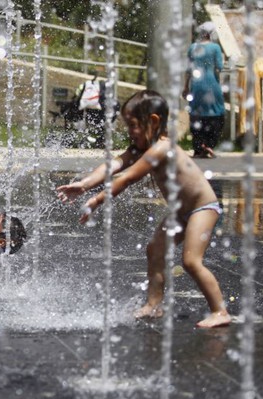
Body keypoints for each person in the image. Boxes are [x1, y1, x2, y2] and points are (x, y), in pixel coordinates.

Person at [56, 90, 231, 329]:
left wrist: (96, 201)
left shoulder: (161, 149)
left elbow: (127, 178)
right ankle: (154, 304)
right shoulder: (144, 148)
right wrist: (85, 184)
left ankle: (220, 311)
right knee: (155, 249)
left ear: (154, 122)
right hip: (180, 211)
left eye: (134, 125)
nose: (130, 132)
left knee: (191, 261)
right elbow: (114, 165)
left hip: (202, 208)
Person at [182, 21, 225, 158]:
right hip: (212, 85)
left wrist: (185, 87)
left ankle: (198, 146)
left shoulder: (193, 47)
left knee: (196, 114)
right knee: (217, 113)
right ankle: (210, 144)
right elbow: (219, 67)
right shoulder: (215, 48)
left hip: (196, 86)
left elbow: (188, 70)